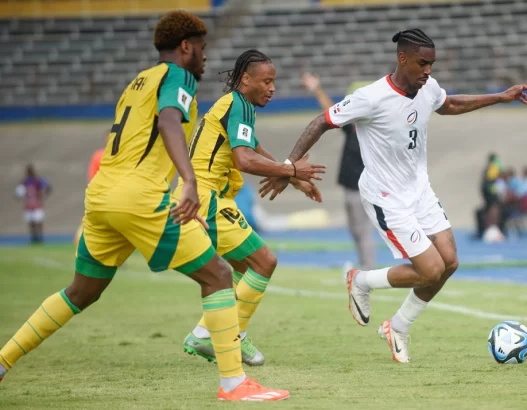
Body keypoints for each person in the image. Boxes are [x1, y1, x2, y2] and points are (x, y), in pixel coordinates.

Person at [0, 11, 288, 401]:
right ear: (185, 47)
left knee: (80, 292)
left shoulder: (137, 81)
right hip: (140, 197)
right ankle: (234, 384)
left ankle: (3, 361)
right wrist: (187, 182)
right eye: (201, 49)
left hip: (102, 195)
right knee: (220, 275)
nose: (204, 59)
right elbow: (169, 121)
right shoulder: (177, 76)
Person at [259, 29, 527, 363]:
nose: (428, 70)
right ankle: (361, 280)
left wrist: (500, 97)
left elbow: (450, 104)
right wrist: (288, 167)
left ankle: (397, 326)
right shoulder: (371, 97)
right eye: (422, 63)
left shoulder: (427, 87)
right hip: (385, 195)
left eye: (431, 63)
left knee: (449, 263)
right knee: (430, 269)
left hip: (419, 190)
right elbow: (322, 121)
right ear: (402, 58)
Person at [180, 50, 324, 368]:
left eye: (274, 81)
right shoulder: (238, 105)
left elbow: (255, 148)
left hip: (203, 198)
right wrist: (291, 171)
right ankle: (231, 336)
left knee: (246, 272)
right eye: (266, 81)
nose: (272, 88)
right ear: (246, 79)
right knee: (265, 262)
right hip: (206, 198)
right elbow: (244, 159)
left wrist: (291, 176)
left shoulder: (236, 106)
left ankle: (205, 332)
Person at [301, 72, 377, 270]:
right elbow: (331, 111)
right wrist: (317, 89)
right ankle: (364, 265)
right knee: (355, 229)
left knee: (363, 229)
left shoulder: (371, 128)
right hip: (351, 185)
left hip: (363, 187)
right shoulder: (352, 126)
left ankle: (367, 268)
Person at [16, 165, 51, 244]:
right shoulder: (25, 181)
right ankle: (34, 238)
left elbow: (48, 187)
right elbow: (19, 192)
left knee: (38, 222)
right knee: (31, 223)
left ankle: (39, 238)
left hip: (36, 204)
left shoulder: (37, 180)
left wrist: (44, 195)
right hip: (29, 205)